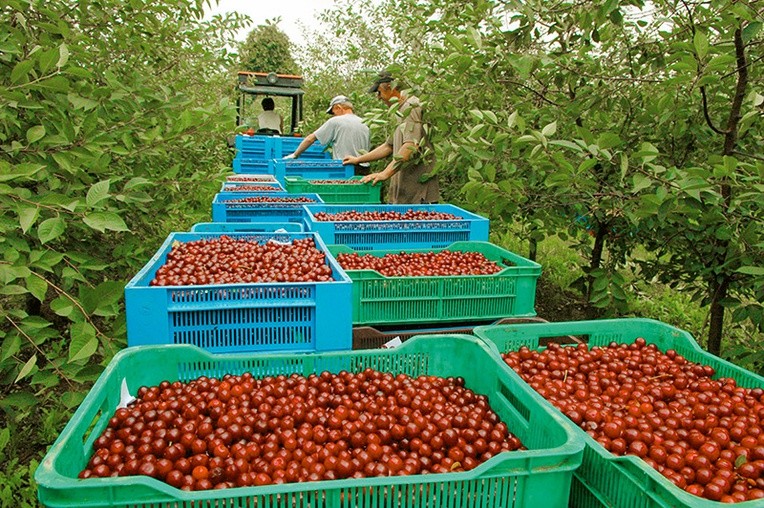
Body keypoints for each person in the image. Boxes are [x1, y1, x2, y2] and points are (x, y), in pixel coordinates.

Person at [343, 71, 439, 204]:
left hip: (418, 193)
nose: (378, 97)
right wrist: (359, 159)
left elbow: (410, 146)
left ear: (390, 87)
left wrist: (384, 174)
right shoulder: (400, 110)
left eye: (379, 92)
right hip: (404, 191)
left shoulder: (411, 107)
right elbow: (389, 146)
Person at [284, 95, 370, 174]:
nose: (333, 115)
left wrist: (295, 155)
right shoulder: (365, 123)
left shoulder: (336, 121)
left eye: (333, 112)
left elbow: (310, 139)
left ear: (338, 107)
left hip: (345, 168)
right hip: (364, 168)